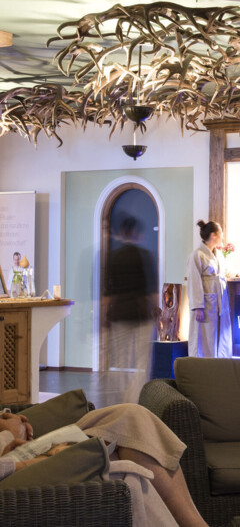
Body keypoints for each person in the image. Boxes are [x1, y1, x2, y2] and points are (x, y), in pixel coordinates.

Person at [0, 404, 208, 526]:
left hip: (9, 454)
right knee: (123, 459)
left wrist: (6, 421)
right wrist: (16, 441)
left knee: (128, 417)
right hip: (10, 473)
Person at [103, 216, 158, 403]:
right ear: (135, 232)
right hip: (140, 314)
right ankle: (135, 399)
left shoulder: (113, 256)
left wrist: (104, 314)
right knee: (143, 361)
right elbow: (151, 290)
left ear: (122, 233)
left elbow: (107, 291)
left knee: (120, 360)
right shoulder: (144, 255)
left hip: (118, 313)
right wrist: (157, 311)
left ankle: (121, 400)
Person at [186, 220, 232, 358]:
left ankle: (219, 363)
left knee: (218, 335)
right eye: (220, 234)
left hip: (218, 301)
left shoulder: (216, 254)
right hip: (205, 303)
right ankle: (202, 367)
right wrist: (198, 306)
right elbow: (194, 280)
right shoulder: (197, 255)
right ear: (213, 235)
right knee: (204, 337)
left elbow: (221, 273)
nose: (222, 237)